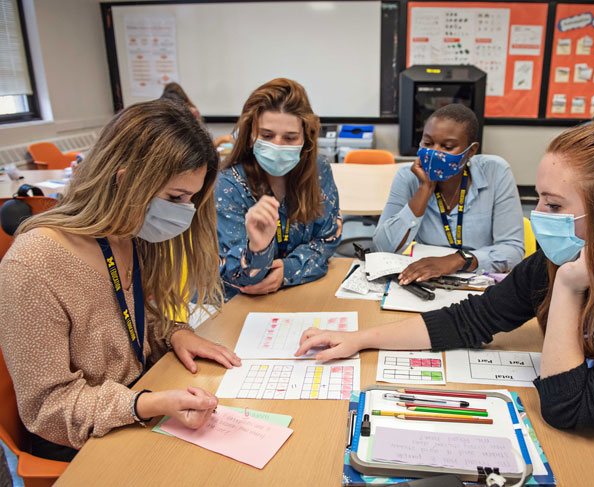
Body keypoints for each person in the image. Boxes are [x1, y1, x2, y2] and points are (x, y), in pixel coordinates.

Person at [297, 119, 594, 487]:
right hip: (589, 435)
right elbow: (471, 319)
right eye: (538, 196)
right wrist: (361, 338)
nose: (536, 213)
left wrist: (566, 289)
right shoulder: (560, 259)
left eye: (553, 203)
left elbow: (568, 408)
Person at [0, 99, 241, 461]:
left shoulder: (129, 232)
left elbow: (135, 323)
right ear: (126, 181)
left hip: (139, 403)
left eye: (190, 199)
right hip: (82, 441)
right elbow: (48, 409)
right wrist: (145, 403)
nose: (184, 212)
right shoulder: (34, 264)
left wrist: (175, 332)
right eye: (175, 197)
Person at [216, 78, 342, 299]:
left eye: (290, 138)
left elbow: (328, 239)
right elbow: (239, 276)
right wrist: (258, 248)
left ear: (306, 139)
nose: (277, 145)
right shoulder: (228, 186)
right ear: (250, 135)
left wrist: (288, 270)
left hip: (299, 296)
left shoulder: (318, 171)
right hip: (239, 305)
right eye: (266, 136)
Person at [373, 104, 523, 281]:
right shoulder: (408, 176)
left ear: (471, 150)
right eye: (428, 143)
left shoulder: (496, 172)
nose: (435, 153)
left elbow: (513, 250)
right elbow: (381, 249)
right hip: (428, 280)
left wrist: (458, 260)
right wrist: (425, 189)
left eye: (448, 147)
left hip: (478, 278)